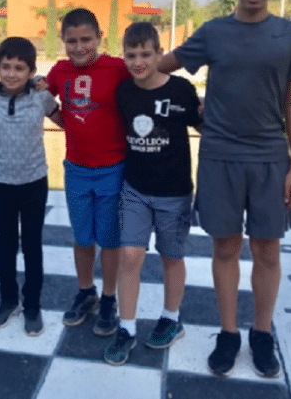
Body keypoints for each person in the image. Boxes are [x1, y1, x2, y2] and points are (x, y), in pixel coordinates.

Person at [158, 0, 291, 378]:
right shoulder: (213, 32)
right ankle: (228, 333)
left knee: (267, 250)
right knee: (225, 247)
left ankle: (261, 334)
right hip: (219, 157)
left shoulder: (290, 35)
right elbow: (163, 65)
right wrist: (129, 71)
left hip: (270, 159)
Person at [103, 22, 202, 365]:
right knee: (130, 256)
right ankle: (126, 327)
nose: (138, 61)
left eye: (146, 54)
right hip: (135, 189)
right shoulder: (124, 92)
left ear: (160, 53)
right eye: (131, 55)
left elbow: (204, 125)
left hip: (174, 192)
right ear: (124, 57)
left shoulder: (181, 90)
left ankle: (171, 318)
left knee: (171, 257)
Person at [46, 8, 131, 337]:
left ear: (99, 38)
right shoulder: (60, 70)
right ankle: (86, 291)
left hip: (113, 168)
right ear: (62, 41)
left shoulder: (117, 68)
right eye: (72, 41)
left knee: (109, 238)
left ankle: (109, 297)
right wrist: (61, 119)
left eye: (86, 40)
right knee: (82, 237)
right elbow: (41, 95)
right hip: (76, 169)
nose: (79, 47)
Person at [0, 37, 62, 336]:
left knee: (31, 245)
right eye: (6, 67)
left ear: (31, 71)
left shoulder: (40, 97)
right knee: (5, 244)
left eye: (19, 68)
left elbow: (65, 121)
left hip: (34, 182)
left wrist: (45, 84)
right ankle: (8, 301)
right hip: (2, 183)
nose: (11, 73)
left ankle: (32, 305)